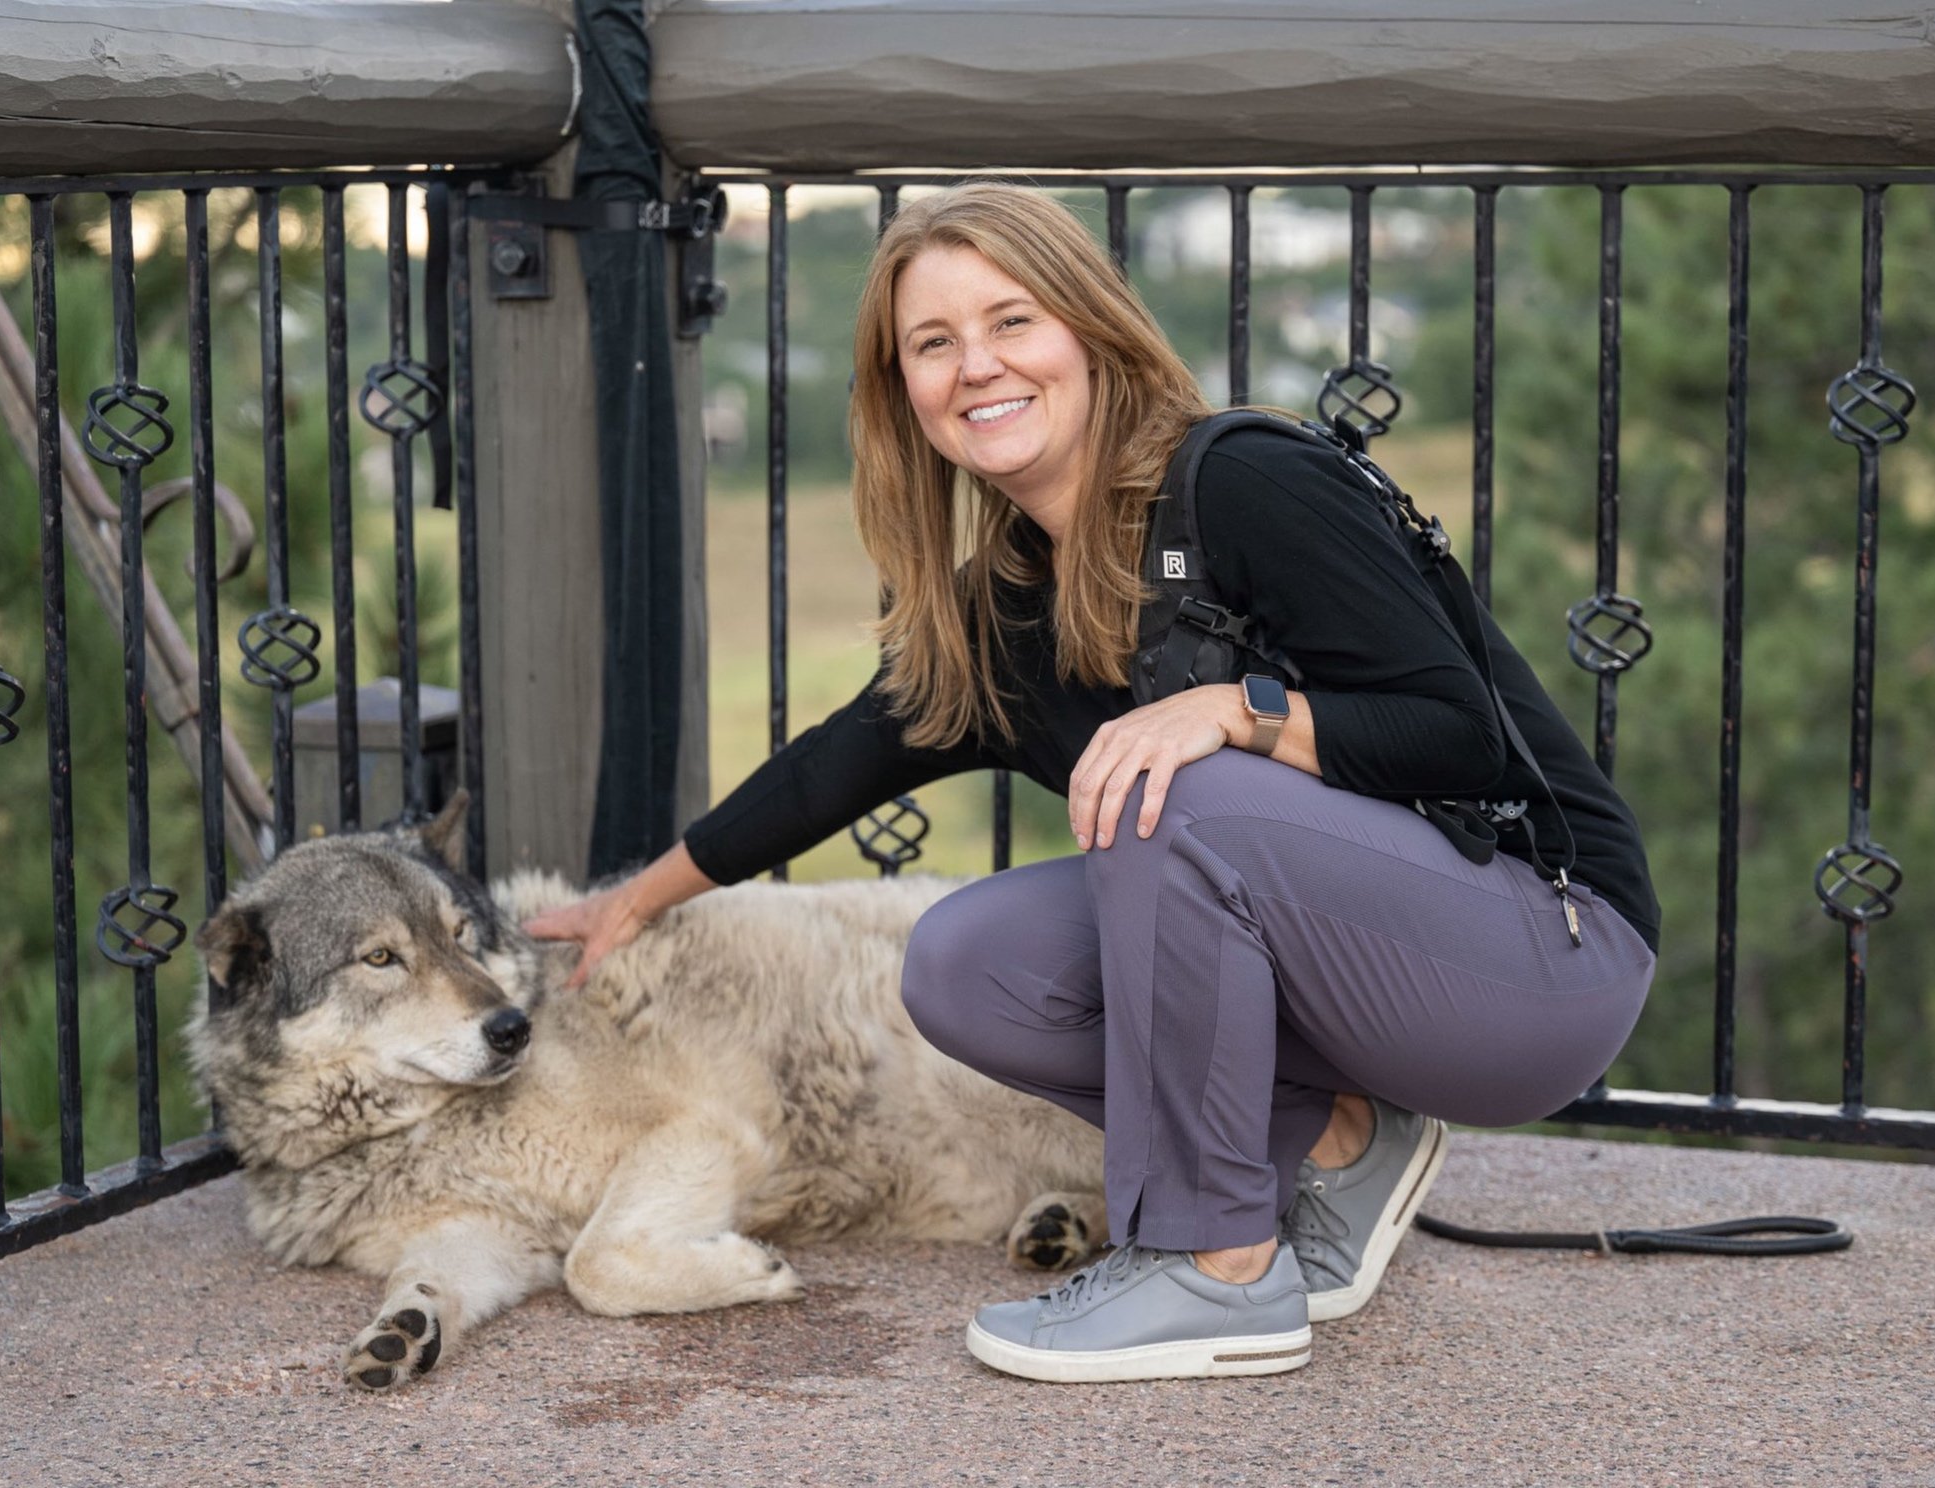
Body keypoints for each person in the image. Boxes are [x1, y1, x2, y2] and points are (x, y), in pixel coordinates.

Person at [527, 183, 1660, 1384]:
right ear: (900, 391)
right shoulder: (1003, 614)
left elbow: (1459, 737)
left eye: (1011, 321)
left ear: (1087, 330)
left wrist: (1234, 711)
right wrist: (634, 902)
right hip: (1366, 991)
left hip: (1538, 954)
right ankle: (1338, 1135)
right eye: (932, 343)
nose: (976, 366)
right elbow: (828, 769)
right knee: (962, 965)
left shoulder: (1241, 483)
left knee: (1170, 787)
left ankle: (1216, 1266)